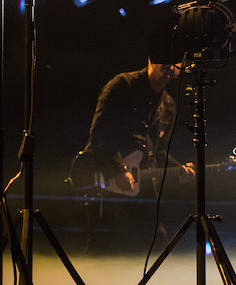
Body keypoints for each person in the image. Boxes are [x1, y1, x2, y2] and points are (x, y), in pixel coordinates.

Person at [67, 60, 195, 250]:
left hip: (140, 189)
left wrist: (179, 170)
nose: (170, 65)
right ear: (151, 59)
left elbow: (158, 154)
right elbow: (99, 133)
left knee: (159, 246)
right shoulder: (123, 86)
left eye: (175, 61)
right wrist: (117, 171)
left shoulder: (168, 106)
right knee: (102, 248)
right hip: (105, 181)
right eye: (164, 59)